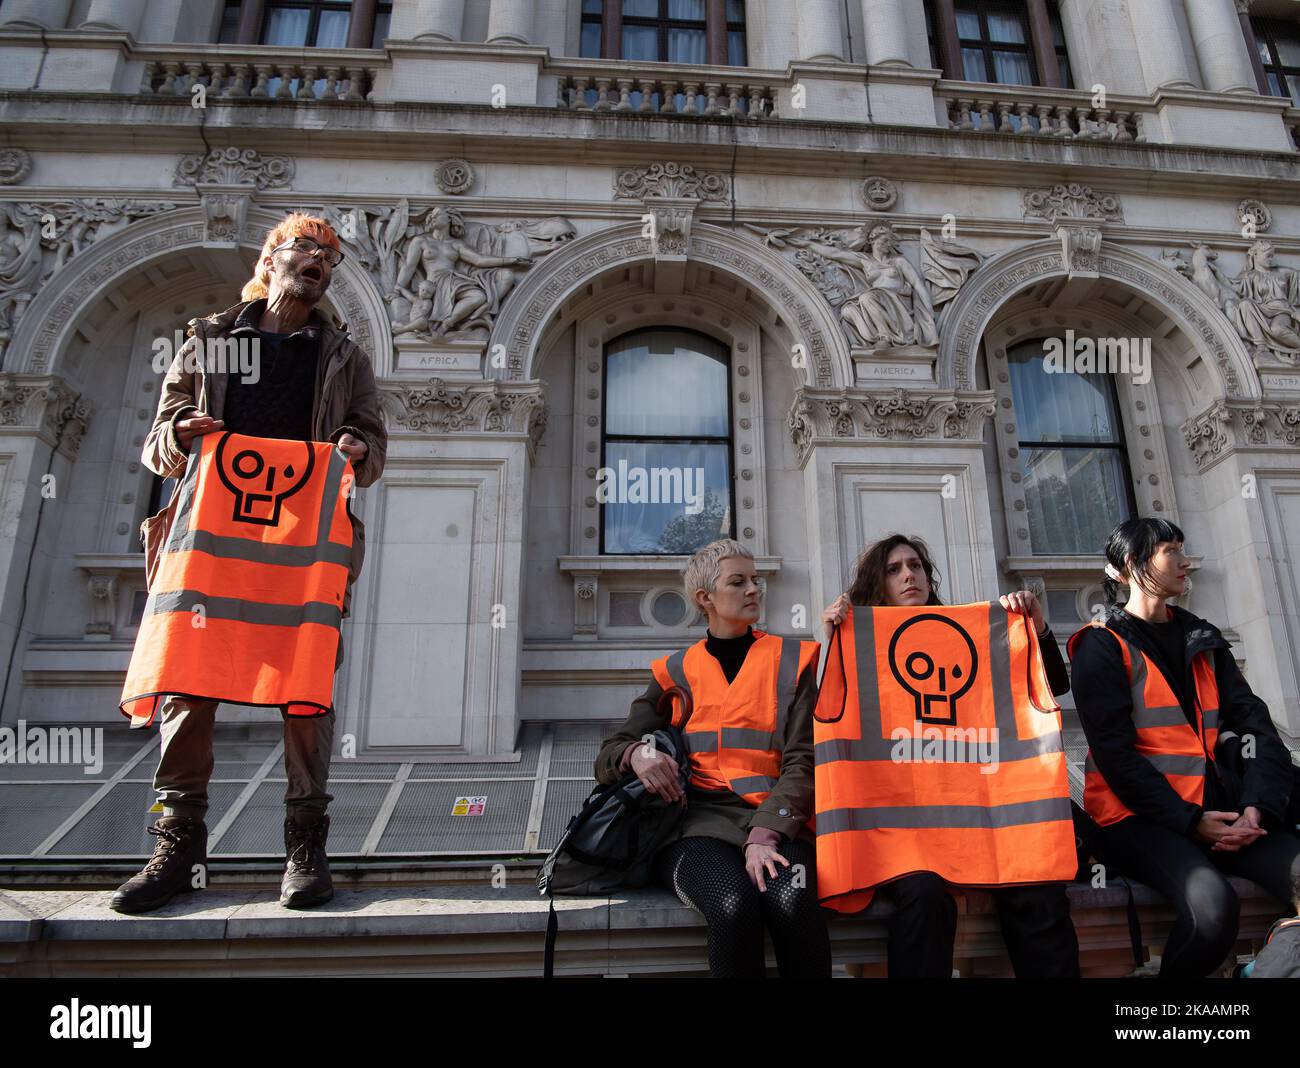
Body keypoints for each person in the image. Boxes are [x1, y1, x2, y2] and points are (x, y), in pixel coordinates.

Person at [111, 213, 387, 914]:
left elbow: (373, 443)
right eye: (306, 248)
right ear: (271, 258)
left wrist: (354, 448)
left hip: (302, 545)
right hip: (209, 543)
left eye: (330, 255)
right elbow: (157, 443)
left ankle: (304, 848)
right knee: (188, 683)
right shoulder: (211, 340)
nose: (320, 260)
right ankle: (177, 848)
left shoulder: (343, 356)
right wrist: (180, 432)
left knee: (306, 688)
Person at [821, 533, 1080, 977]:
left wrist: (1033, 628)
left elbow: (1052, 685)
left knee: (1037, 893)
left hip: (985, 821)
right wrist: (832, 641)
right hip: (901, 833)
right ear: (876, 584)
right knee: (925, 899)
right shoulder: (854, 640)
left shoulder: (977, 632)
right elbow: (824, 712)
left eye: (916, 565)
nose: (909, 575)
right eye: (894, 569)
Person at [1069, 516, 1300, 977]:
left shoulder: (1203, 638)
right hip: (1135, 821)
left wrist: (1258, 808)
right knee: (1213, 911)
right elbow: (1116, 757)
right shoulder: (1100, 646)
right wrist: (1191, 823)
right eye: (1170, 550)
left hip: (1226, 815)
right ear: (1131, 564)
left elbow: (1259, 731)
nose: (1185, 561)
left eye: (1182, 548)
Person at [594, 539, 832, 977]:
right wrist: (638, 754)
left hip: (779, 822)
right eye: (738, 582)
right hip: (694, 828)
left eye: (755, 580)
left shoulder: (795, 659)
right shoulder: (674, 671)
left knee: (792, 901)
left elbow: (805, 760)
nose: (753, 590)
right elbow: (610, 752)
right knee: (732, 904)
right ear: (705, 598)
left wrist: (766, 834)